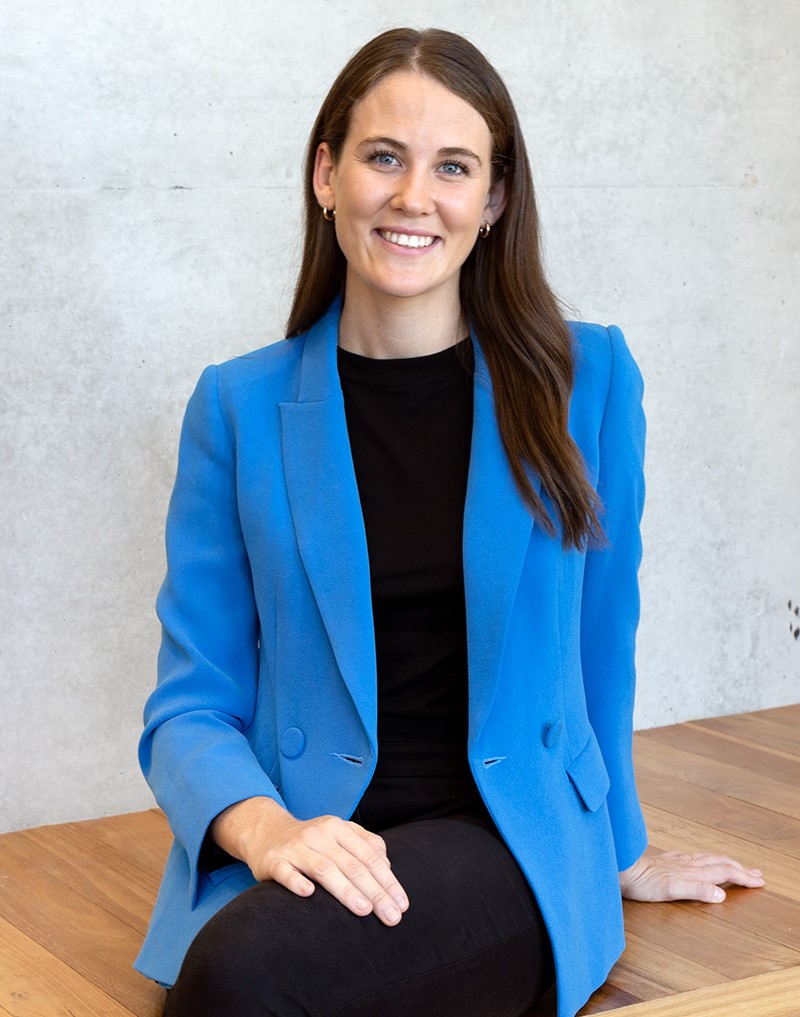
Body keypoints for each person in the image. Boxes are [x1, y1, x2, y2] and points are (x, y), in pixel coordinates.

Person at [135, 26, 764, 1017]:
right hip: (311, 841)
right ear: (326, 175)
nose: (413, 197)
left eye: (454, 166)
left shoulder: (584, 380)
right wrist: (262, 828)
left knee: (243, 986)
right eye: (383, 157)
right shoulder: (237, 406)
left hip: (503, 838)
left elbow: (603, 644)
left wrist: (618, 848)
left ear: (493, 198)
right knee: (241, 974)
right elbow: (189, 702)